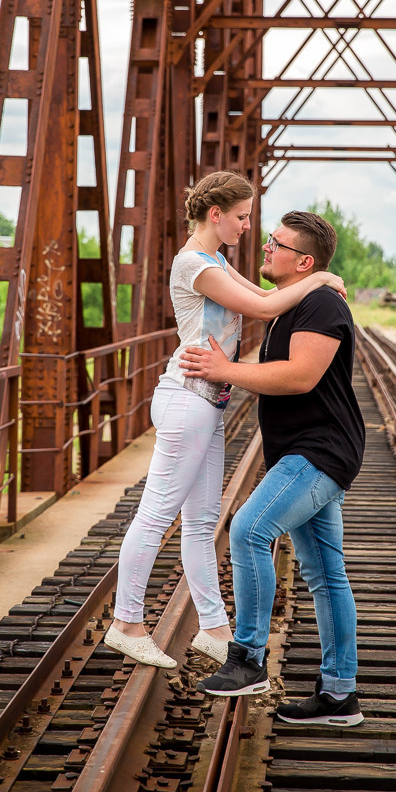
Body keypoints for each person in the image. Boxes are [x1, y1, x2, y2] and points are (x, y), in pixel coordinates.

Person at [103, 176, 347, 670]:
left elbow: (261, 292)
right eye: (241, 216)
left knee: (200, 524)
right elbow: (262, 307)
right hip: (187, 399)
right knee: (156, 515)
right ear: (215, 214)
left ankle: (214, 629)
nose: (248, 225)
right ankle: (126, 622)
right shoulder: (194, 263)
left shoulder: (217, 262)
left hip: (208, 403)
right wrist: (320, 277)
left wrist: (311, 278)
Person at [180, 211, 365, 726]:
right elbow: (222, 274)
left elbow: (301, 376)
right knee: (326, 574)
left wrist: (224, 371)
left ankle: (249, 659)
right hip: (301, 448)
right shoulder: (292, 302)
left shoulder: (322, 305)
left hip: (320, 450)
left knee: (248, 529)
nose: (265, 246)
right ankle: (338, 695)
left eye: (276, 243)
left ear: (302, 261)